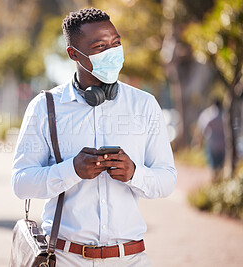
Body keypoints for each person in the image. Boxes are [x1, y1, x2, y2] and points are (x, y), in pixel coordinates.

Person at [11, 7, 177, 266]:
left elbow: (167, 179)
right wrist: (72, 170)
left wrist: (134, 173)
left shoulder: (144, 105)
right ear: (74, 54)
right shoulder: (45, 107)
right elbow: (21, 183)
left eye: (116, 43)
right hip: (65, 258)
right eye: (100, 46)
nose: (112, 52)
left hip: (130, 258)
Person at [197, 99, 226, 181]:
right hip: (223, 145)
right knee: (220, 166)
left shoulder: (209, 115)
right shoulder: (225, 115)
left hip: (212, 145)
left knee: (213, 166)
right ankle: (219, 180)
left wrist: (200, 141)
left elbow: (203, 129)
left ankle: (214, 180)